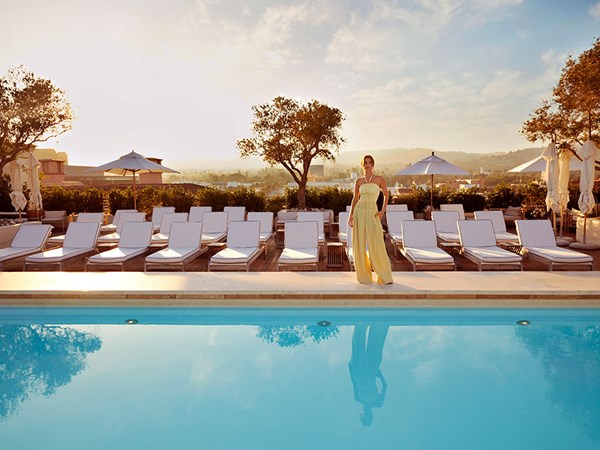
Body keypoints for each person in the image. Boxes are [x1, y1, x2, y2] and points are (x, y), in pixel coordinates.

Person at [348, 155, 393, 284]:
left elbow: (386, 195)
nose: (367, 164)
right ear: (362, 165)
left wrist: (382, 211)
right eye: (365, 162)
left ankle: (384, 274)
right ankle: (364, 277)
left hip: (373, 212)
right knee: (359, 244)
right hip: (359, 212)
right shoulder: (359, 181)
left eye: (370, 162)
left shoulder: (379, 179)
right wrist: (351, 215)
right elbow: (355, 199)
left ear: (373, 164)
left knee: (377, 242)